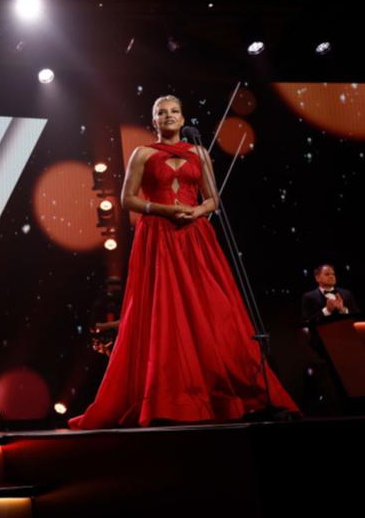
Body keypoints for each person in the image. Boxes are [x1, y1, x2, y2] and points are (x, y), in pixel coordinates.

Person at [69, 95, 299, 428]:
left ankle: (224, 392)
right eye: (161, 113)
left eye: (174, 111)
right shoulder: (143, 153)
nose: (169, 116)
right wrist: (162, 210)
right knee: (165, 309)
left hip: (195, 238)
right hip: (159, 237)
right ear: (154, 121)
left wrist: (198, 211)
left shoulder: (199, 153)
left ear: (182, 117)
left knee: (213, 308)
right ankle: (170, 396)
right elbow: (127, 198)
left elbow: (213, 198)